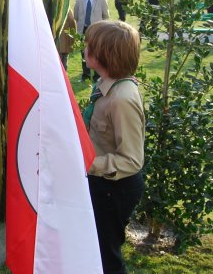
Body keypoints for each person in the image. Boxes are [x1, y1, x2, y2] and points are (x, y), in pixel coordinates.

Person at [83, 20, 145, 274]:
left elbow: (131, 160)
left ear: (106, 54)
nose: (85, 49)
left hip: (114, 188)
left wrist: (87, 163)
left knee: (106, 257)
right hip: (102, 182)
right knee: (92, 249)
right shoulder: (105, 85)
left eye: (90, 45)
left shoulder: (122, 99)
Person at [73, 0, 109, 81]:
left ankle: (97, 76)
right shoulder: (79, 1)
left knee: (97, 52)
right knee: (84, 53)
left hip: (96, 31)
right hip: (83, 30)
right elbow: (76, 16)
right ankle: (86, 75)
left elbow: (106, 16)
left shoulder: (101, 0)